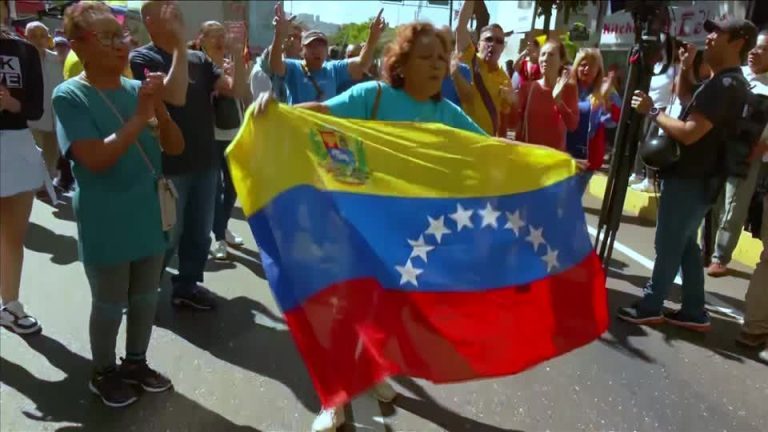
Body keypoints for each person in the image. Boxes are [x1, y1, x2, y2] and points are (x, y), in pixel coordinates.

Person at [252, 21, 484, 432]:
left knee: (386, 312)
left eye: (442, 60)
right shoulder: (371, 95)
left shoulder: (447, 113)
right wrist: (276, 110)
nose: (436, 67)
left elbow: (491, 151)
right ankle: (333, 403)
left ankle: (375, 373)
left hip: (408, 236)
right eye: (426, 58)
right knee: (341, 313)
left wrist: (552, 164)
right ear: (402, 63)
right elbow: (319, 115)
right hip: (351, 225)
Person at [53, 0, 185, 407]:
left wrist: (158, 111)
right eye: (106, 37)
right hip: (106, 216)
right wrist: (140, 114)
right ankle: (103, 371)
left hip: (148, 213)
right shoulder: (70, 95)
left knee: (146, 295)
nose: (119, 44)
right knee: (110, 302)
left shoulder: (137, 90)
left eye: (121, 35)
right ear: (78, 45)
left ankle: (136, 362)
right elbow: (95, 158)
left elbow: (176, 146)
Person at [618, 18, 758, 331]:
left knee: (668, 243)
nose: (708, 37)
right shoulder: (725, 81)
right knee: (685, 246)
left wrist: (652, 112)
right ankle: (695, 310)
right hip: (702, 179)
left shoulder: (724, 86)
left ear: (736, 42)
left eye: (717, 33)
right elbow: (687, 104)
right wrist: (684, 66)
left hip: (692, 178)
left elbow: (690, 132)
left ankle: (651, 305)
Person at [131, 0, 248, 311]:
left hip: (205, 160)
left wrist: (236, 51)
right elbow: (176, 95)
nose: (175, 10)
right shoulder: (142, 57)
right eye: (165, 9)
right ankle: (144, 290)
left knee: (198, 232)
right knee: (168, 234)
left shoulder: (199, 58)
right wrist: (181, 46)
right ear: (149, 20)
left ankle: (186, 286)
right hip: (169, 165)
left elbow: (235, 90)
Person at [706, 30, 768, 277]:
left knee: (734, 204)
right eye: (755, 47)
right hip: (720, 146)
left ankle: (720, 256)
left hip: (749, 153)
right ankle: (705, 248)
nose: (755, 52)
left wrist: (763, 147)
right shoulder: (737, 74)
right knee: (712, 198)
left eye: (763, 49)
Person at [0, 0, 45, 335]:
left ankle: (11, 305)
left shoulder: (24, 51)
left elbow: (34, 106)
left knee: (12, 236)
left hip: (15, 145)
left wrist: (11, 102)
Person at [193, 21, 246, 260]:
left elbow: (241, 93)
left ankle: (222, 227)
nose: (219, 40)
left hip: (233, 133)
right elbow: (229, 90)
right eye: (213, 35)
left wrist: (236, 62)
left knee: (234, 186)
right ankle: (220, 238)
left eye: (221, 35)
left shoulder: (228, 64)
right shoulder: (196, 64)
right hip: (209, 136)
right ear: (201, 38)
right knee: (215, 189)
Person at [268, 3, 383, 105]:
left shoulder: (334, 69)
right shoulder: (294, 68)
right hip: (299, 128)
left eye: (321, 46)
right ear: (302, 51)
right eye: (311, 46)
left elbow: (362, 64)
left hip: (325, 129)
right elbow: (275, 65)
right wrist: (279, 35)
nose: (317, 50)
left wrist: (372, 38)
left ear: (326, 50)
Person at [454, 0, 513, 137]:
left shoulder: (505, 79)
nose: (493, 44)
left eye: (499, 41)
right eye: (488, 39)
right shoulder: (468, 57)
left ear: (502, 48)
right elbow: (461, 27)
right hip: (461, 139)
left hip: (486, 145)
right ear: (478, 44)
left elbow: (504, 122)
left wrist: (514, 101)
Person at [509, 40, 579, 151]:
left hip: (554, 160)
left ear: (561, 61)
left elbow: (572, 125)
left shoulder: (569, 88)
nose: (545, 59)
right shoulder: (527, 88)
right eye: (543, 54)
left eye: (551, 55)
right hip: (529, 156)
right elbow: (512, 123)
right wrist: (512, 103)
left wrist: (558, 102)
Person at [565, 48, 620, 173]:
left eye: (592, 66)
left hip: (589, 154)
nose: (587, 70)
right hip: (565, 150)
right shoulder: (567, 85)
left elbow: (614, 120)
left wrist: (607, 105)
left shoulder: (606, 89)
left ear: (598, 70)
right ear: (576, 66)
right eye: (583, 65)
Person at [25, 21, 64, 194]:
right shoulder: (22, 60)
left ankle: (48, 181)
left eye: (42, 36)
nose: (38, 40)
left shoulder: (57, 60)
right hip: (32, 117)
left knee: (51, 152)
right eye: (33, 36)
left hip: (54, 114)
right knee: (34, 153)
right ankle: (37, 183)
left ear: (49, 39)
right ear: (26, 39)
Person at [249, 21, 302, 102]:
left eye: (299, 38)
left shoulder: (303, 67)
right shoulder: (266, 66)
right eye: (290, 36)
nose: (292, 40)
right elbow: (266, 65)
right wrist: (279, 41)